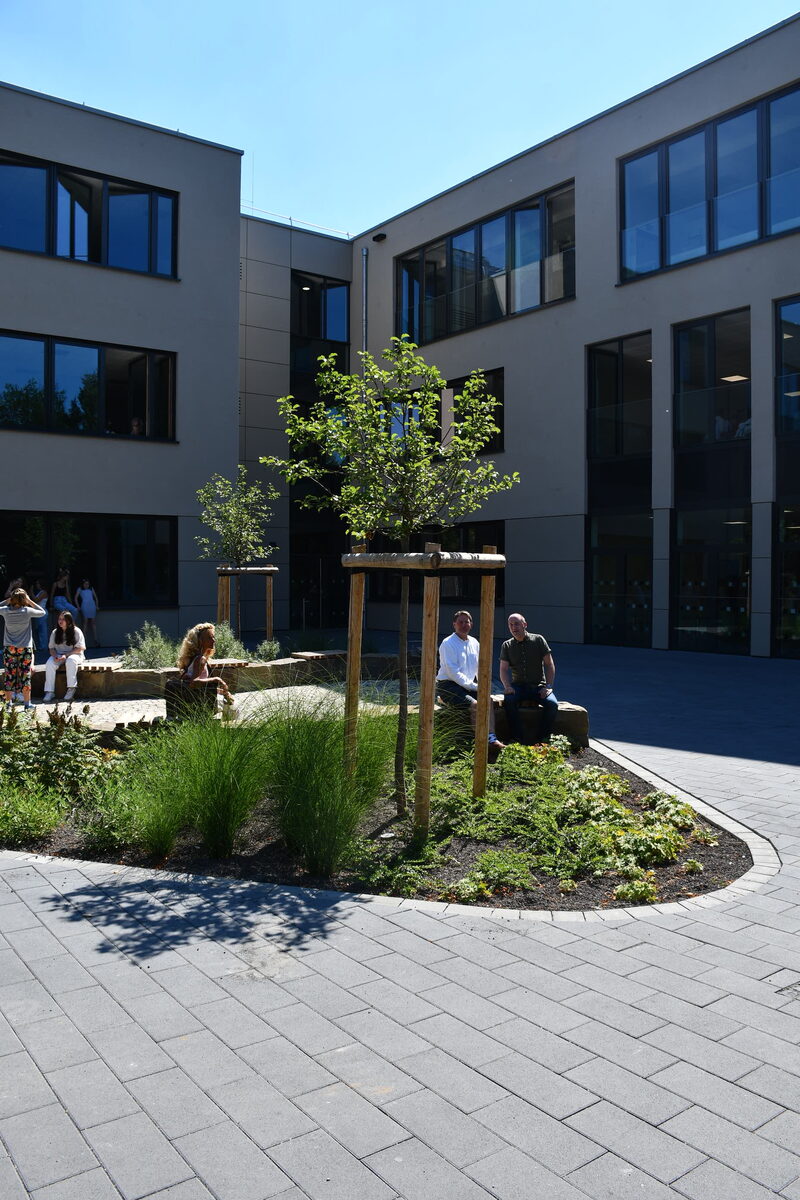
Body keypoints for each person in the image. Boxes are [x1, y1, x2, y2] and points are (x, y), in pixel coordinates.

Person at [435, 610, 504, 758]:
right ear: (454, 624)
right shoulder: (448, 643)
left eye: (467, 622)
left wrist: (483, 687)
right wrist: (475, 687)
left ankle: (491, 739)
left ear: (471, 624)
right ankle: (479, 743)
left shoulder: (474, 642)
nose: (464, 625)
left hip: (467, 685)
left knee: (488, 700)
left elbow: (480, 667)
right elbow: (453, 673)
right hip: (448, 685)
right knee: (475, 705)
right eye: (460, 621)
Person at [499, 612, 558, 744]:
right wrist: (507, 686)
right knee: (508, 701)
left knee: (553, 704)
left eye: (517, 624)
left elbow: (549, 664)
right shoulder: (507, 645)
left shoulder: (538, 640)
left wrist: (548, 686)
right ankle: (517, 738)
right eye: (511, 625)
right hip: (518, 686)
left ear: (525, 625)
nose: (514, 627)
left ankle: (542, 739)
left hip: (538, 686)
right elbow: (503, 669)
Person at [0, 588, 46, 712]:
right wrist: (30, 601)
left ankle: (8, 704)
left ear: (13, 599)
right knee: (25, 676)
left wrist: (7, 600)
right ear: (24, 599)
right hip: (25, 648)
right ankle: (27, 704)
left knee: (9, 676)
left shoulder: (5, 611)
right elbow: (42, 612)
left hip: (9, 648)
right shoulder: (27, 611)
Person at [177, 623, 233, 703]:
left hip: (194, 699)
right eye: (210, 638)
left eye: (213, 637)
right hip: (200, 702)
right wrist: (217, 679)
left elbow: (200, 684)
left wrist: (223, 692)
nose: (214, 640)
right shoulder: (200, 659)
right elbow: (193, 683)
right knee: (233, 706)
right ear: (200, 641)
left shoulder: (192, 658)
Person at [43, 611, 86, 703]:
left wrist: (66, 655)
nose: (60, 621)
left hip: (75, 655)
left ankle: (71, 688)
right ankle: (49, 691)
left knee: (70, 661)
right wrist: (55, 656)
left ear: (69, 621)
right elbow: (51, 648)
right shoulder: (55, 632)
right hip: (59, 655)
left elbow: (81, 648)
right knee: (50, 663)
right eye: (59, 619)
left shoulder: (76, 631)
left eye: (63, 619)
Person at [75, 579, 100, 647]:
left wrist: (97, 606)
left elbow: (95, 597)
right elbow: (76, 598)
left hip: (92, 605)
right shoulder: (80, 589)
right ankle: (83, 641)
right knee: (85, 622)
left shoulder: (91, 589)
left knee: (93, 623)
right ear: (83, 584)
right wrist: (78, 606)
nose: (86, 585)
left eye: (88, 584)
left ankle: (96, 640)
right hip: (84, 605)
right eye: (85, 584)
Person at [31, 579, 49, 651]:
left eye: (38, 584)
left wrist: (31, 592)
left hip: (42, 612)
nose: (37, 585)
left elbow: (36, 600)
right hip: (39, 612)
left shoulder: (43, 592)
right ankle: (42, 646)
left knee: (43, 630)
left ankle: (44, 646)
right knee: (40, 630)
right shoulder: (40, 592)